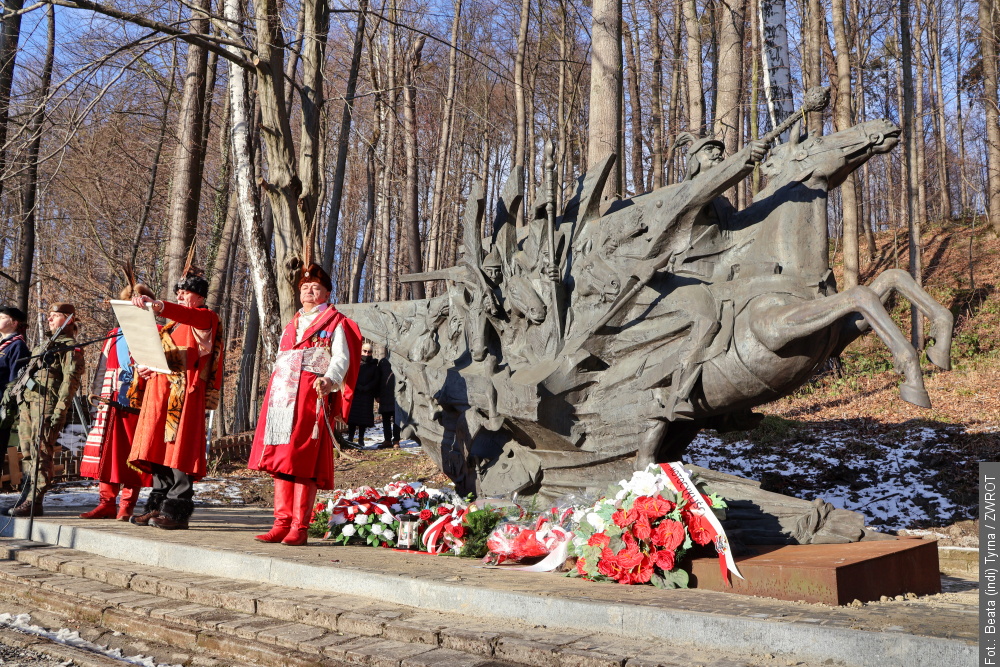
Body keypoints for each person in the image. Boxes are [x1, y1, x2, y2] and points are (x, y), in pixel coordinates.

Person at [248, 261, 361, 546]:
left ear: (326, 293)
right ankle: (281, 522)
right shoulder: (293, 322)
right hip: (282, 397)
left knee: (303, 459)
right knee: (281, 459)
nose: (309, 291)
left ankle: (300, 526)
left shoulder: (336, 322)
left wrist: (329, 380)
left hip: (311, 393)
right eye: (305, 287)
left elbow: (341, 358)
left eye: (316, 288)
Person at [128, 268, 224, 530]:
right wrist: (144, 368)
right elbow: (157, 356)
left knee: (178, 449)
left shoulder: (205, 317)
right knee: (156, 447)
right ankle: (157, 505)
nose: (181, 296)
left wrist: (158, 305)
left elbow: (189, 316)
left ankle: (177, 510)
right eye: (178, 293)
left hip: (184, 393)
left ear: (200, 297)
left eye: (186, 292)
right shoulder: (170, 326)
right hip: (159, 391)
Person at [78, 283, 155, 521]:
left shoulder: (155, 333)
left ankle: (127, 505)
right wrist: (97, 401)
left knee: (133, 456)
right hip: (110, 402)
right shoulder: (113, 336)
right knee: (107, 454)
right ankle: (106, 502)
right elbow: (102, 369)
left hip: (139, 403)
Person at [4, 303, 85, 517]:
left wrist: (60, 410)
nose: (49, 319)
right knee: (29, 453)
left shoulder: (69, 347)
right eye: (49, 315)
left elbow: (71, 381)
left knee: (41, 453)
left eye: (55, 315)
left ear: (69, 319)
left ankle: (35, 500)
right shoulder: (44, 345)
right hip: (29, 405)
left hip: (47, 407)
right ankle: (27, 496)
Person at [0, 307, 28, 449]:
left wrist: (9, 408)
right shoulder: (2, 344)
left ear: (14, 322)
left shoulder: (17, 346)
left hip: (2, 405)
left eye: (2, 317)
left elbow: (15, 380)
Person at [346, 343, 379, 449]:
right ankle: (350, 438)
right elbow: (351, 376)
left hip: (367, 395)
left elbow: (376, 380)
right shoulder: (355, 363)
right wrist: (358, 386)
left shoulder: (374, 365)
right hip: (356, 393)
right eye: (365, 351)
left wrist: (367, 387)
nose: (367, 353)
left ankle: (361, 439)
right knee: (353, 418)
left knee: (363, 419)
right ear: (361, 351)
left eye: (369, 352)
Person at [377, 350, 400, 448]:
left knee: (397, 420)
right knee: (385, 419)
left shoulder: (400, 362)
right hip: (384, 394)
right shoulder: (382, 362)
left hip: (397, 395)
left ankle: (396, 440)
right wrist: (377, 395)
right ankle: (387, 440)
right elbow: (377, 379)